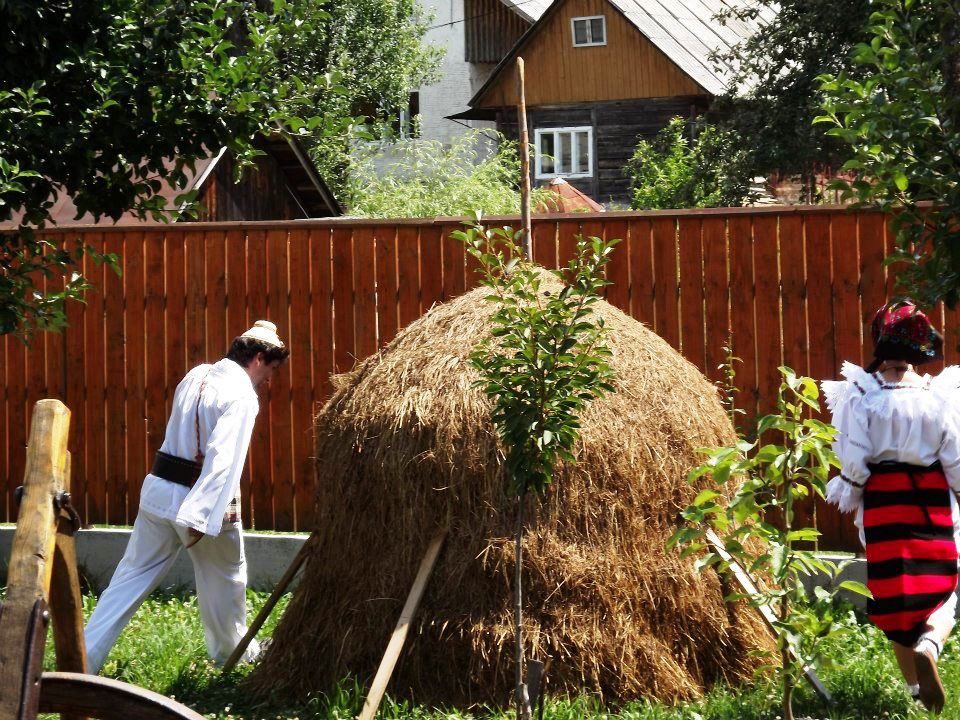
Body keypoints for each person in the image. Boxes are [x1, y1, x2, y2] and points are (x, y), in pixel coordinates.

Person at [84, 320, 289, 673]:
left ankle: (82, 659)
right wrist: (200, 518)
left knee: (128, 578)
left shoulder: (197, 375)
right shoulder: (242, 396)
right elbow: (223, 461)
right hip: (198, 502)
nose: (269, 380)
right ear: (257, 358)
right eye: (270, 369)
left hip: (158, 494)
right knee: (226, 579)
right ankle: (234, 654)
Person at [824, 299, 960, 713]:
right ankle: (931, 644)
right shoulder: (937, 396)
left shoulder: (861, 396)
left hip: (884, 505)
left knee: (895, 597)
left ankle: (917, 693)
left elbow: (855, 456)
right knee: (945, 590)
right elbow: (954, 457)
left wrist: (848, 486)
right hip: (929, 503)